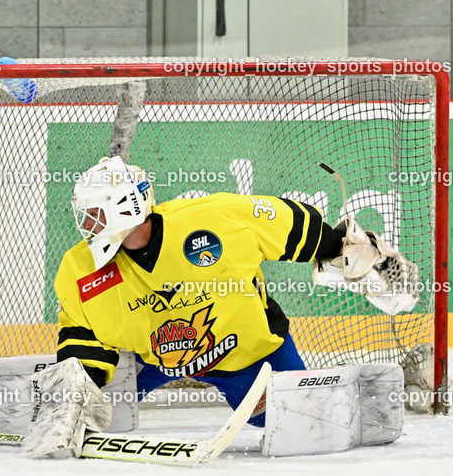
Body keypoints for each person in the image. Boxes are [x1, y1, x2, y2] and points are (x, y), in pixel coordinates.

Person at [53, 156, 407, 427]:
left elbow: (286, 223)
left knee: (300, 424)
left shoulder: (213, 218)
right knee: (100, 413)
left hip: (246, 356)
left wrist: (334, 246)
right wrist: (78, 393)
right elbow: (82, 333)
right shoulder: (79, 268)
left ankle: (350, 396)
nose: (86, 225)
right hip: (154, 359)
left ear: (125, 206)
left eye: (94, 214)